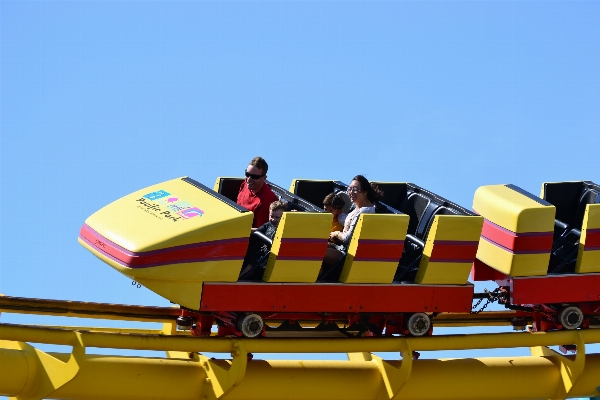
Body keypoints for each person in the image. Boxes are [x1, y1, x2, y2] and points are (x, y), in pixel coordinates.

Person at [322, 175, 383, 268]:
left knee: (317, 250)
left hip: (349, 255)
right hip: (342, 248)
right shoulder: (356, 209)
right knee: (315, 245)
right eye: (350, 189)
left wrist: (336, 233)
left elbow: (347, 238)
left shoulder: (365, 211)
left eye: (355, 189)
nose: (351, 192)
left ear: (365, 191)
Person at [239, 200, 287, 280]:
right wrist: (244, 230)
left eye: (277, 217)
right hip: (263, 251)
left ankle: (242, 278)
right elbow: (258, 231)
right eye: (271, 216)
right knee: (249, 253)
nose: (273, 220)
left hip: (270, 256)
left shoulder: (285, 228)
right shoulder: (268, 225)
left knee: (254, 260)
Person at [237, 156, 279, 229]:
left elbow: (261, 231)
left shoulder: (267, 200)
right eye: (247, 174)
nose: (249, 179)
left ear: (264, 178)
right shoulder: (245, 184)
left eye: (254, 177)